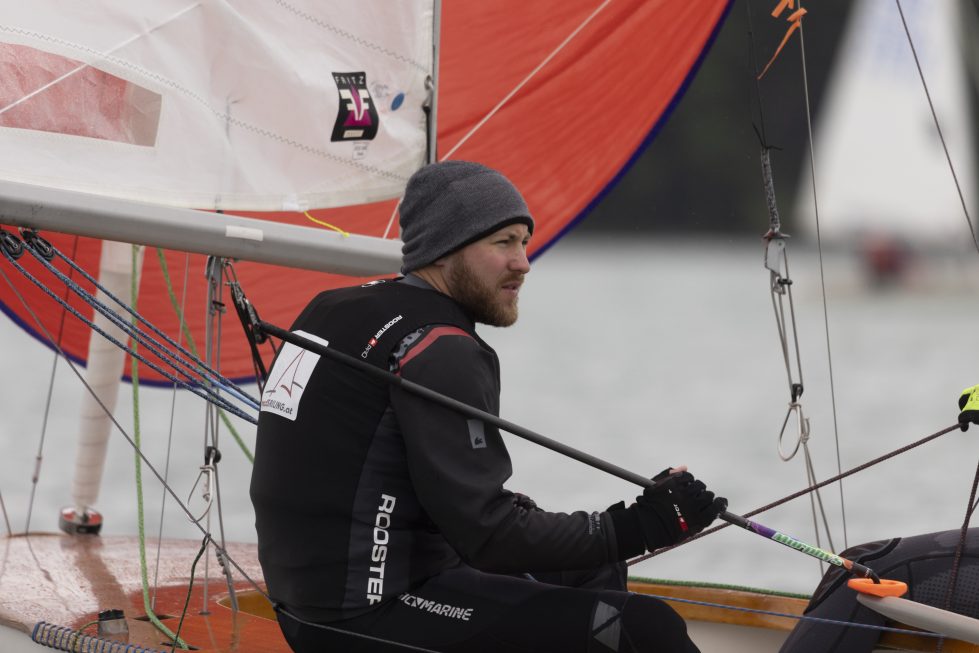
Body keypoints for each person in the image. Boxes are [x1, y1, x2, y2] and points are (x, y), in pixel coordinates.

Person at [250, 160, 727, 652]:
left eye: (524, 242)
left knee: (592, 567)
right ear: (443, 250)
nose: (523, 263)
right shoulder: (440, 349)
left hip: (305, 607)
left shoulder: (329, 308)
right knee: (645, 628)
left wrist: (613, 532)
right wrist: (641, 525)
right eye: (503, 243)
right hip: (367, 616)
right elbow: (489, 535)